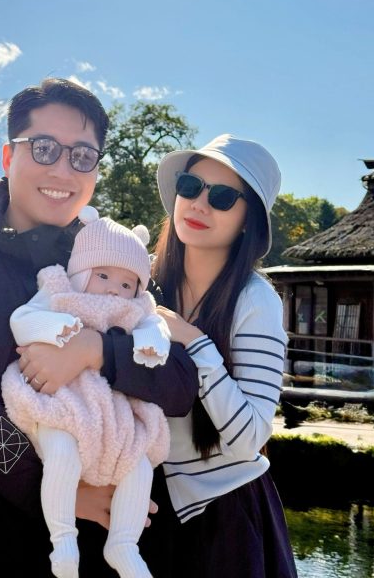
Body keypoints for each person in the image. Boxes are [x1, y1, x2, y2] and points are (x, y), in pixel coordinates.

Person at [0, 77, 199, 577]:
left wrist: (98, 351)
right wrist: (54, 485)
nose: (63, 169)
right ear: (8, 156)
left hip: (88, 556)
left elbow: (179, 383)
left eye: (82, 155)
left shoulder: (108, 259)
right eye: (43, 148)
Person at [138, 133, 298, 578]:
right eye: (190, 187)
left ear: (249, 220)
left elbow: (251, 437)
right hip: (140, 503)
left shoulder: (255, 300)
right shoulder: (139, 280)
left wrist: (194, 342)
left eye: (223, 197)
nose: (199, 204)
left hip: (225, 518)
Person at [2, 208, 171, 578]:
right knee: (62, 453)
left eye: (126, 284)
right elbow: (22, 320)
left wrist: (151, 343)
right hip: (60, 399)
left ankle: (124, 544)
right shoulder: (59, 290)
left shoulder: (137, 309)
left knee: (139, 465)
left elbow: (156, 326)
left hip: (111, 412)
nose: (113, 289)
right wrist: (56, 328)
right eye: (103, 275)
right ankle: (63, 540)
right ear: (80, 271)